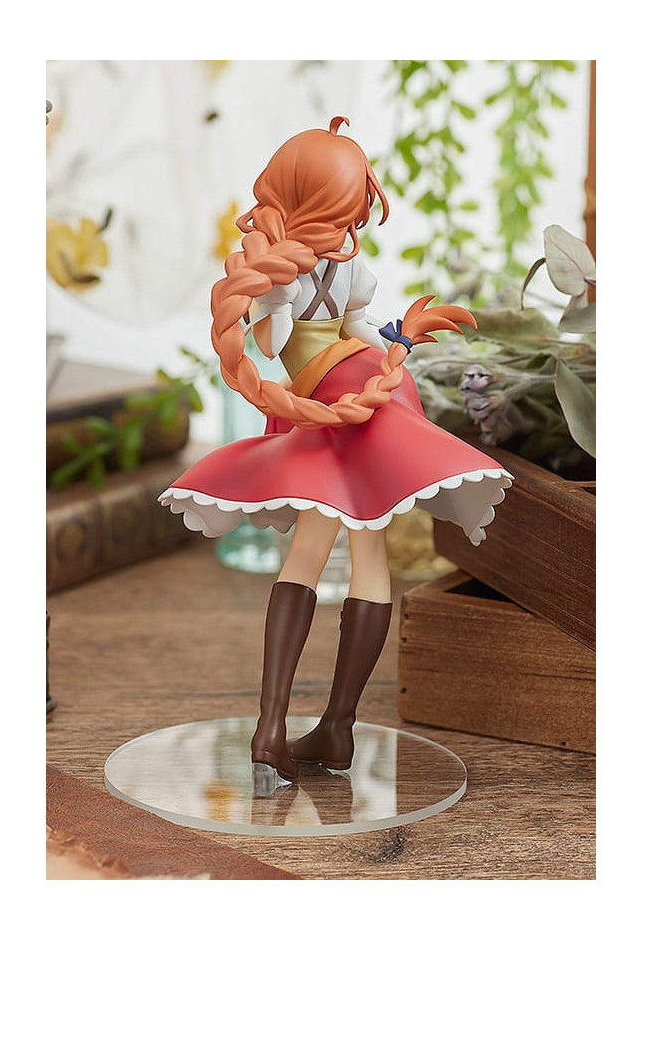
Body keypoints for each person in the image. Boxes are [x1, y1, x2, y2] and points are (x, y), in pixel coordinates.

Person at [160, 117, 512, 794]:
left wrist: (389, 341)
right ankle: (332, 729)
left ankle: (279, 732)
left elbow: (290, 343)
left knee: (312, 553)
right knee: (366, 550)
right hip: (352, 392)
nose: (353, 227)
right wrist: (377, 341)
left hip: (347, 393)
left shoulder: (325, 271)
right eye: (349, 209)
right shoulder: (310, 271)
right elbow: (301, 338)